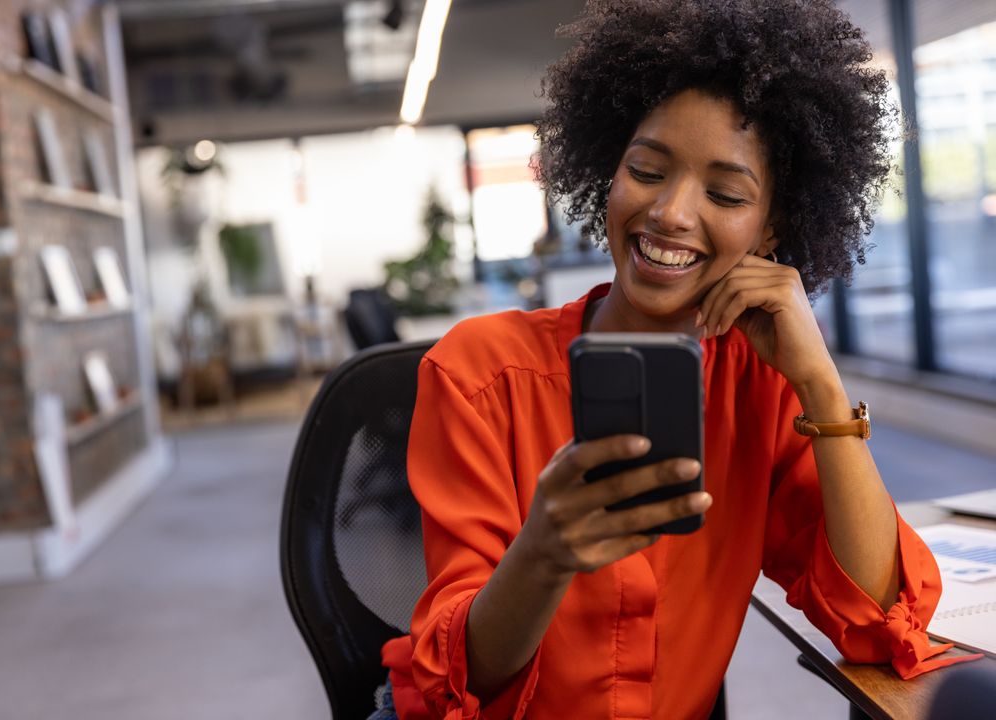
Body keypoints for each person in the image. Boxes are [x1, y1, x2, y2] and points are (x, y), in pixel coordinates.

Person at [370, 1, 978, 718]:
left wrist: (818, 381)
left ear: (771, 227)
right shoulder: (479, 374)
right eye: (647, 170)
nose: (671, 213)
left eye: (724, 194)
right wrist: (543, 555)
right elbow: (460, 685)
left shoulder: (761, 384)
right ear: (609, 171)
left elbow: (878, 621)